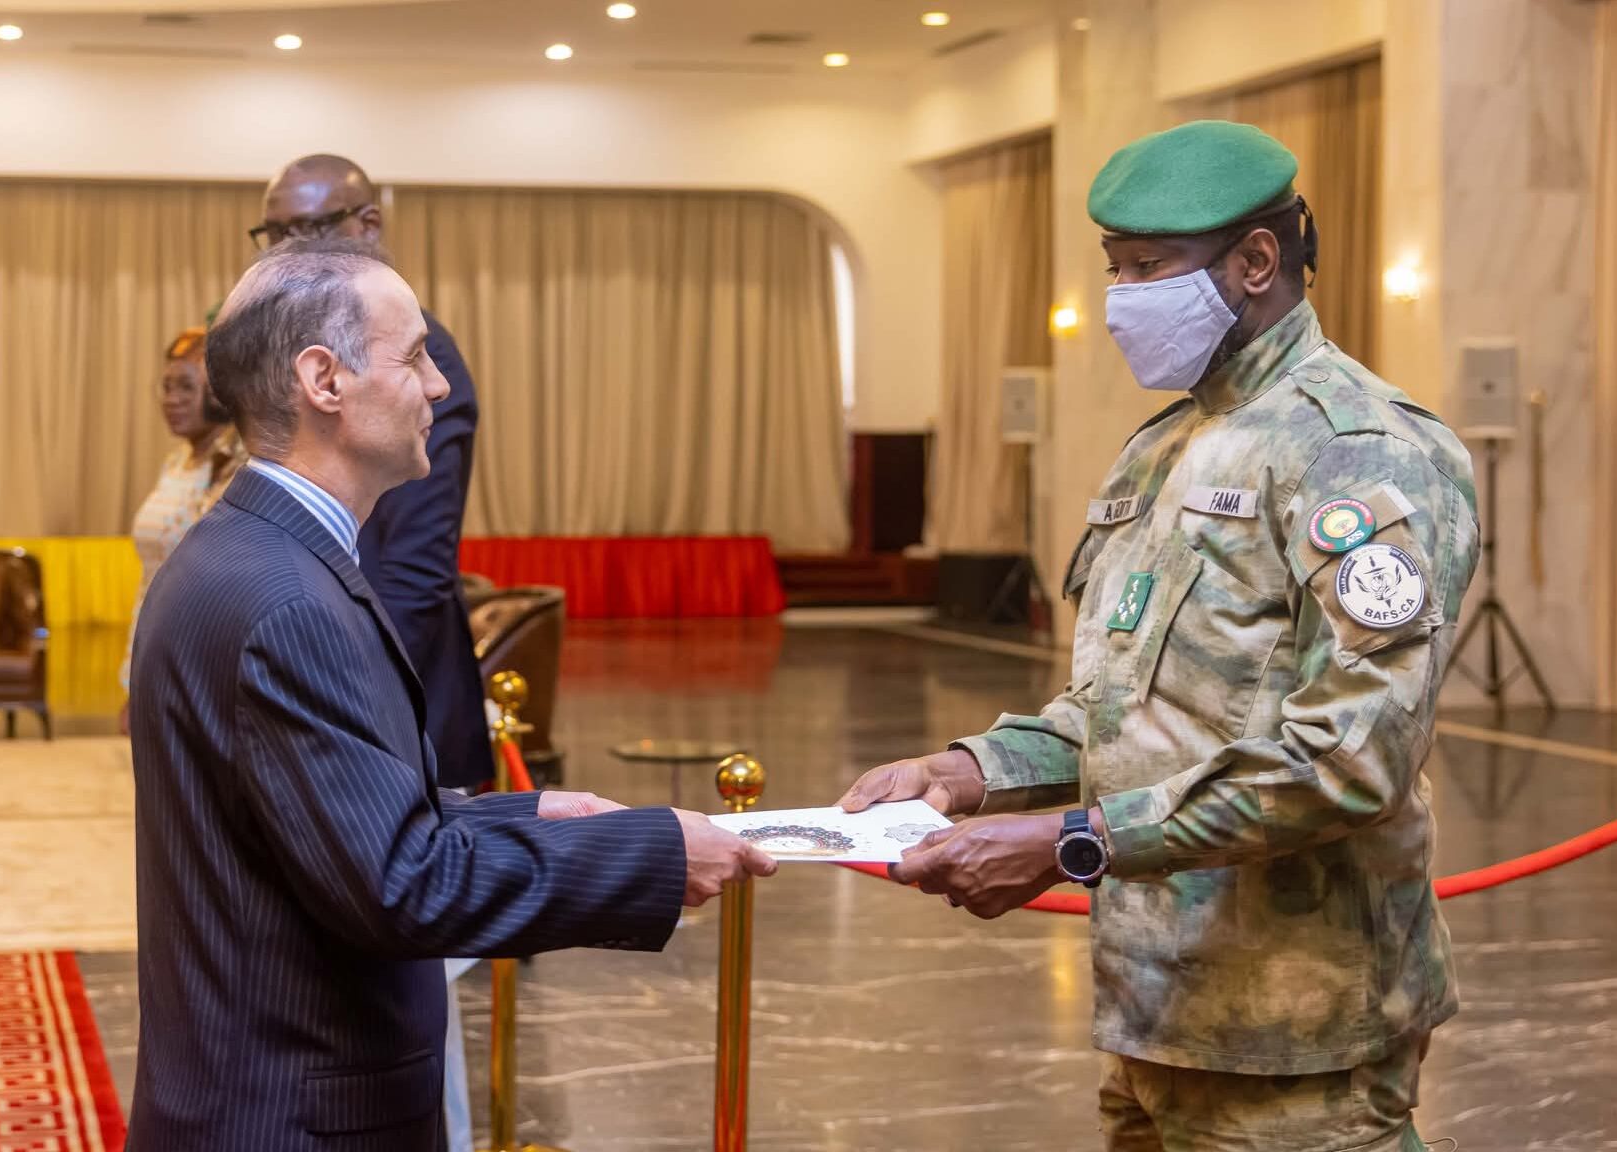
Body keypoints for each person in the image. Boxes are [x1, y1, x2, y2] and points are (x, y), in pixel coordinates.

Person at [837, 121, 1480, 1152]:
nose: (1118, 300)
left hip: (1293, 1030)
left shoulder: (1359, 454)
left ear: (1255, 262)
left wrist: (1073, 842)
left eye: (1145, 268)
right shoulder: (1165, 446)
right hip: (1156, 1011)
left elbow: (1352, 759)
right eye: (1112, 268)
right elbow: (1116, 708)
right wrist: (965, 772)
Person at [126, 236, 774, 1152]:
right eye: (415, 355)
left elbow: (342, 828)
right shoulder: (285, 599)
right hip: (293, 1118)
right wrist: (654, 853)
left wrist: (532, 815)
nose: (439, 387)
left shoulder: (263, 554)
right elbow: (400, 887)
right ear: (325, 380)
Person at [253, 154, 494, 795]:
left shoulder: (419, 358)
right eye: (273, 234)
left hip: (398, 714)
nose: (284, 252)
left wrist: (354, 707)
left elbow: (412, 570)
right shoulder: (304, 355)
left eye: (305, 231)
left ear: (367, 224)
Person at [118, 326, 247, 735]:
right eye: (167, 387)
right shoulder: (175, 463)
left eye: (186, 388)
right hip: (153, 641)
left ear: (220, 391)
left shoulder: (237, 468)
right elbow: (150, 579)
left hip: (203, 658)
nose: (171, 400)